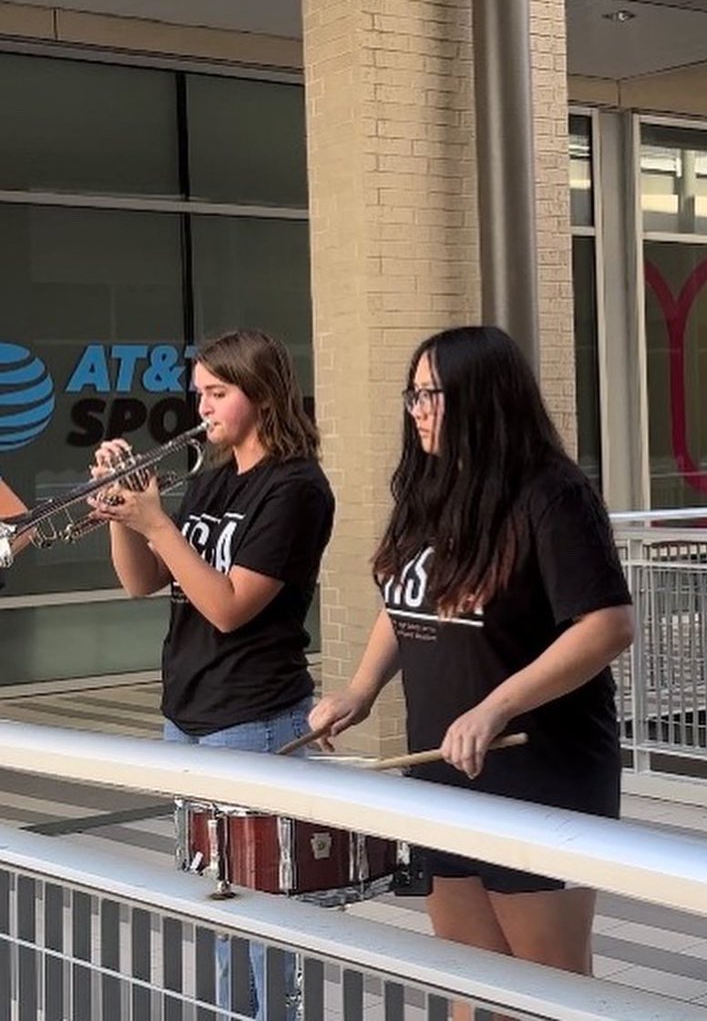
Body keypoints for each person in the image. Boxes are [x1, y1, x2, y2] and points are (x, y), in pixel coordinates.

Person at [308, 325, 635, 979]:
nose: (419, 410)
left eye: (434, 394)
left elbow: (606, 625)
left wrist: (495, 708)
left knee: (548, 983)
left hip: (538, 770)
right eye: (414, 394)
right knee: (469, 976)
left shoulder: (551, 494)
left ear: (484, 399)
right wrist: (360, 690)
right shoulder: (431, 493)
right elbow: (406, 605)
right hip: (442, 769)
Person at [91, 328, 335, 1020]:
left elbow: (229, 608)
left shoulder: (295, 489)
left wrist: (160, 525)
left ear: (260, 394)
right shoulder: (211, 475)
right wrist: (120, 509)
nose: (202, 409)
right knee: (216, 901)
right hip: (189, 714)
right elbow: (141, 583)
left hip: (255, 716)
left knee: (263, 911)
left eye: (217, 394)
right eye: (198, 394)